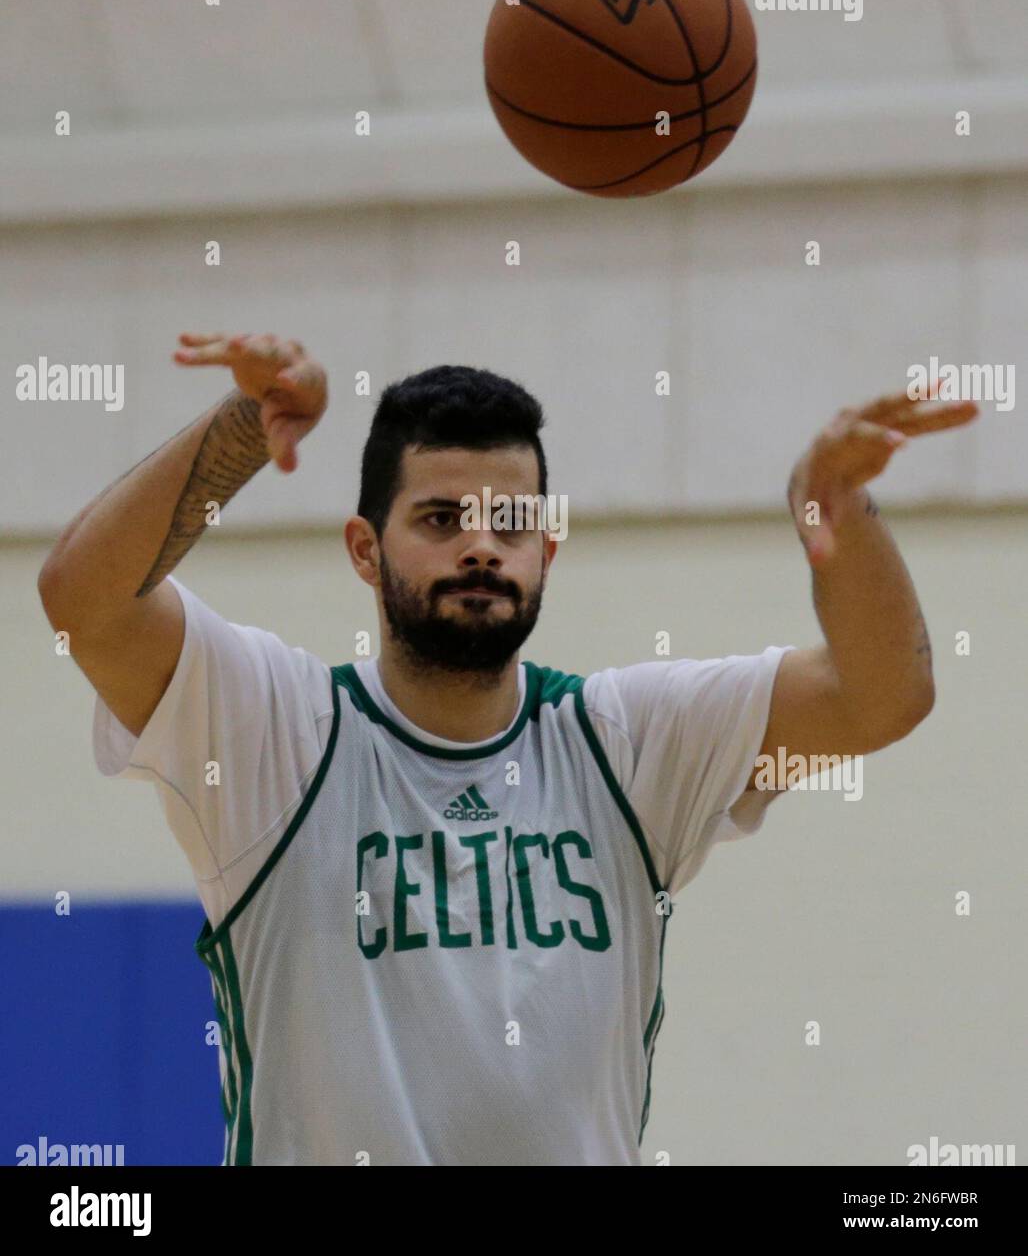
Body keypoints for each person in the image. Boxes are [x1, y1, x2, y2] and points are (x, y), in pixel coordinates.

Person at [36, 334, 977, 1165]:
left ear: (548, 551)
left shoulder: (629, 742)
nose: (482, 545)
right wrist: (250, 425)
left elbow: (881, 696)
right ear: (365, 550)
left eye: (513, 521)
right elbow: (85, 600)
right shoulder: (271, 731)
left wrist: (838, 510)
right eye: (441, 520)